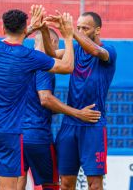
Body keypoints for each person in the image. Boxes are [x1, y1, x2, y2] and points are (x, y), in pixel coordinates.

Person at [0, 5, 75, 190]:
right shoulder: (32, 57)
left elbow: (14, 39)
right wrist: (68, 37)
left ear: (3, 29)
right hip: (9, 133)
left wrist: (30, 29)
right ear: (24, 29)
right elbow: (68, 66)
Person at [17, 28, 101, 190]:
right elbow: (45, 99)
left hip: (15, 135)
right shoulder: (44, 63)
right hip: (37, 136)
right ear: (54, 43)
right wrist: (77, 113)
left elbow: (31, 101)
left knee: (17, 183)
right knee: (52, 184)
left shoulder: (22, 61)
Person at [43, 11, 117, 190]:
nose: (81, 31)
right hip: (69, 125)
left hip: (93, 124)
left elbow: (94, 50)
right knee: (66, 183)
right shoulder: (75, 50)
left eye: (86, 28)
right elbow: (51, 54)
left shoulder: (109, 51)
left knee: (95, 185)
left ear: (97, 30)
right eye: (79, 27)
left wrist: (70, 32)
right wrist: (44, 30)